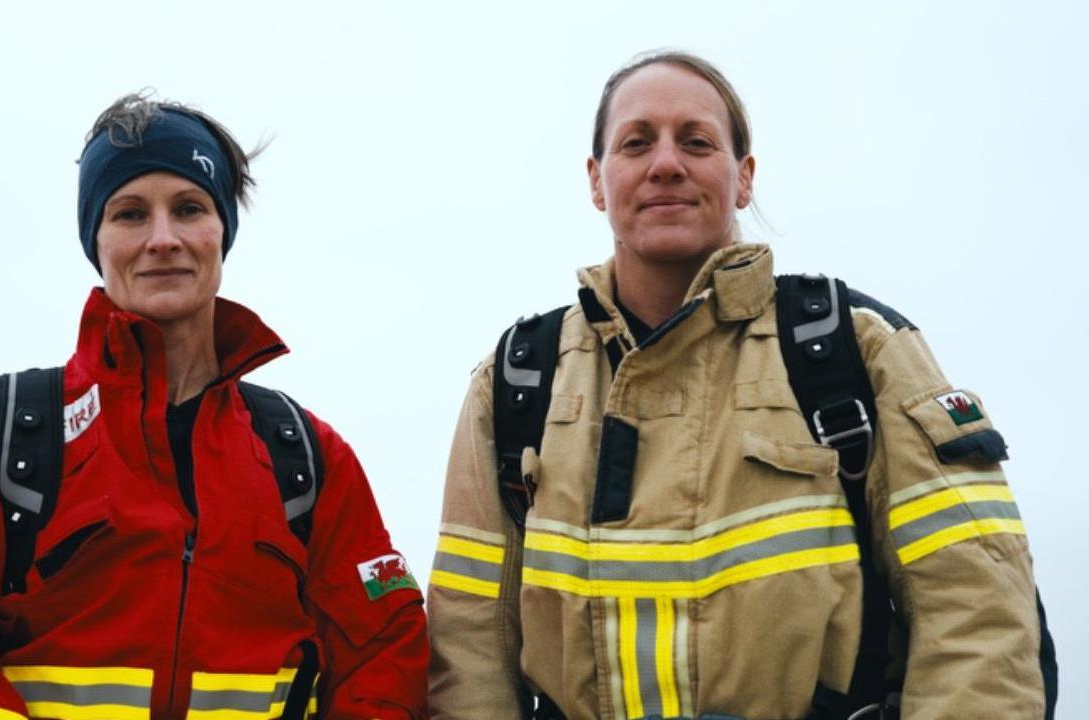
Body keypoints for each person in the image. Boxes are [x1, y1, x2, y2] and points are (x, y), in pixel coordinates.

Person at [426, 51, 1049, 719]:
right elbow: (468, 658)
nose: (666, 162)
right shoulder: (517, 383)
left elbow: (980, 617)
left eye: (696, 141)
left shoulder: (856, 351)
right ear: (597, 181)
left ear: (743, 177)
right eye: (636, 143)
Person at [0, 94, 429, 720]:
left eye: (190, 208)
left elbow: (386, 657)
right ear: (97, 238)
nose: (163, 239)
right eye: (131, 213)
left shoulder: (308, 457)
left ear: (222, 231)